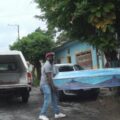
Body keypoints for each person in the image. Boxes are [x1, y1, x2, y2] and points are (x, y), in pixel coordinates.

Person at [39, 52, 66, 120]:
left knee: (54, 98)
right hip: (45, 84)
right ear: (47, 58)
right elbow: (49, 78)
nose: (51, 57)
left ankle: (57, 113)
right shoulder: (47, 65)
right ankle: (42, 114)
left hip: (49, 83)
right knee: (48, 99)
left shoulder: (52, 64)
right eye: (49, 57)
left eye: (52, 56)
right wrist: (53, 87)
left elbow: (53, 75)